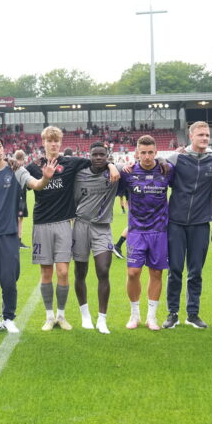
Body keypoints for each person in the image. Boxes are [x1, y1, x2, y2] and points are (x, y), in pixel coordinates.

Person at [24, 126, 118, 331]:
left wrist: (111, 165)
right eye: (50, 141)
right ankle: (49, 317)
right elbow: (21, 176)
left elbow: (97, 161)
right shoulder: (33, 166)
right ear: (43, 143)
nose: (54, 144)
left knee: (64, 272)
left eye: (57, 141)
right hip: (41, 224)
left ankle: (62, 315)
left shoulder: (72, 162)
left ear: (61, 143)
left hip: (65, 224)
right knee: (46, 273)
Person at [0, 135, 52, 335]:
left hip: (8, 233)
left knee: (9, 278)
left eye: (0, 146)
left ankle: (9, 317)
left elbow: (36, 184)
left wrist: (46, 178)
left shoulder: (16, 169)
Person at [161, 121, 212, 330]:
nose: (205, 138)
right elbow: (155, 164)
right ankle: (172, 313)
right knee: (175, 270)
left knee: (195, 271)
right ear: (191, 137)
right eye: (201, 135)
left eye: (207, 135)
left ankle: (193, 314)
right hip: (176, 222)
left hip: (201, 222)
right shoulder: (176, 158)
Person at [118, 135, 173, 330]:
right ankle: (135, 315)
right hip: (136, 231)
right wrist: (111, 166)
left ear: (156, 153)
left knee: (156, 273)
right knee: (133, 273)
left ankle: (152, 317)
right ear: (136, 153)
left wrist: (165, 161)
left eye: (151, 152)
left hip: (159, 231)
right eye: (143, 152)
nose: (147, 156)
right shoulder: (128, 172)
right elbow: (110, 172)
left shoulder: (166, 170)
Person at [72, 142, 118, 334]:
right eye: (95, 154)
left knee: (103, 270)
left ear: (108, 156)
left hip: (102, 228)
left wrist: (113, 166)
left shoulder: (114, 175)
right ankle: (85, 316)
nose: (98, 157)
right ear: (89, 156)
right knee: (80, 272)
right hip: (81, 225)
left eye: (102, 155)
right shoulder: (79, 175)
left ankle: (102, 319)